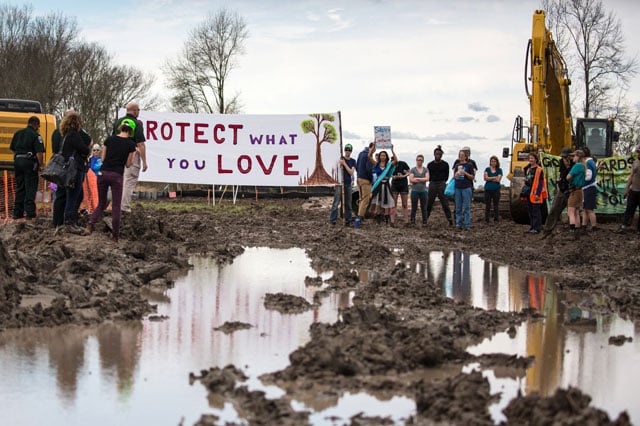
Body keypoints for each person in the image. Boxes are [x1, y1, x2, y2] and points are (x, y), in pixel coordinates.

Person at [87, 119, 137, 243]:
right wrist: (133, 154)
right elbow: (128, 164)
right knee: (116, 206)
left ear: (120, 128)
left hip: (103, 174)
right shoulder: (131, 145)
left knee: (101, 203)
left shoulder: (109, 139)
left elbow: (103, 158)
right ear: (131, 131)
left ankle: (90, 224)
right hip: (117, 176)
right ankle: (115, 235)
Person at [51, 109, 92, 228]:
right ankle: (69, 221)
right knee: (74, 195)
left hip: (64, 168)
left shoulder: (61, 134)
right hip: (74, 169)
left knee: (63, 195)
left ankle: (58, 221)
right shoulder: (75, 135)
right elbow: (85, 149)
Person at [10, 116, 45, 220]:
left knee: (20, 187)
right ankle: (30, 213)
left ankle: (17, 212)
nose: (38, 128)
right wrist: (40, 165)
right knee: (30, 187)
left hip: (17, 161)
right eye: (38, 126)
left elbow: (13, 148)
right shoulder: (35, 135)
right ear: (35, 124)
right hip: (29, 162)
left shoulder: (18, 133)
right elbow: (39, 152)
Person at [116, 102, 147, 213]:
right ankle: (124, 207)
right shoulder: (137, 124)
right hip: (132, 154)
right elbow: (141, 144)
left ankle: (116, 205)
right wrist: (144, 161)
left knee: (120, 180)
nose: (138, 112)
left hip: (118, 155)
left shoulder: (118, 122)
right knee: (129, 181)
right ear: (135, 111)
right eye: (138, 110)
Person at [543, 147, 574, 235]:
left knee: (573, 212)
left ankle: (574, 230)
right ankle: (548, 229)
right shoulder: (561, 162)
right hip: (563, 189)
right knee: (554, 209)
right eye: (563, 157)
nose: (564, 159)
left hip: (572, 190)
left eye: (566, 157)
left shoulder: (575, 164)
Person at [329, 144, 356, 226]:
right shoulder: (340, 159)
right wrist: (339, 164)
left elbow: (351, 172)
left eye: (349, 150)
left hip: (348, 184)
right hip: (339, 184)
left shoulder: (353, 161)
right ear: (344, 150)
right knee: (336, 202)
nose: (348, 151)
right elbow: (333, 169)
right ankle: (332, 220)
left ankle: (348, 220)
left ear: (351, 151)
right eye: (346, 149)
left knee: (348, 203)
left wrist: (344, 164)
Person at [369, 147, 398, 225]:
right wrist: (373, 147)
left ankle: (386, 219)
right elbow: (369, 156)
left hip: (386, 185)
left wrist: (392, 150)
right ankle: (378, 220)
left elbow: (396, 160)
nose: (382, 157)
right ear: (379, 157)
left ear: (386, 157)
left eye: (384, 155)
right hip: (378, 185)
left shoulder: (388, 165)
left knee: (386, 203)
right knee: (378, 203)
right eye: (381, 155)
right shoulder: (376, 164)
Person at [425, 145, 453, 226]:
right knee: (429, 202)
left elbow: (446, 176)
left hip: (441, 183)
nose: (438, 155)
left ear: (441, 155)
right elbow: (428, 175)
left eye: (439, 154)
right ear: (434, 154)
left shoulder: (445, 164)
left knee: (445, 203)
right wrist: (432, 181)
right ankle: (425, 219)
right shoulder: (430, 164)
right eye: (436, 154)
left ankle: (450, 219)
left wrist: (442, 182)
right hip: (432, 183)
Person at [523, 152, 547, 234]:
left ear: (536, 159)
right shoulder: (528, 169)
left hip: (536, 193)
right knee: (530, 211)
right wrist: (526, 181)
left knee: (536, 212)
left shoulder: (539, 170)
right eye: (529, 158)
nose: (531, 160)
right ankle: (532, 227)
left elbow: (540, 183)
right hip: (529, 193)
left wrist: (538, 194)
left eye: (532, 158)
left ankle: (537, 228)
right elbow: (529, 182)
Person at [453, 149, 476, 230]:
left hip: (466, 187)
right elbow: (454, 177)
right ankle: (458, 224)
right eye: (460, 155)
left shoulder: (469, 165)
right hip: (458, 187)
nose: (461, 156)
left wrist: (465, 173)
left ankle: (467, 225)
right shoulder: (456, 166)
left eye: (462, 155)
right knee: (458, 207)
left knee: (466, 207)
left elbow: (472, 177)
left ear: (466, 156)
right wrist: (456, 174)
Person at [566, 150, 587, 237]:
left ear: (578, 157)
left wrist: (570, 179)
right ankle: (577, 229)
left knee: (570, 211)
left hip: (575, 190)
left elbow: (568, 177)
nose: (572, 158)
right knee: (576, 211)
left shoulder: (577, 165)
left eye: (574, 156)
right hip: (580, 190)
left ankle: (572, 231)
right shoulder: (583, 166)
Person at [621, 145, 640, 232]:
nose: (638, 153)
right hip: (634, 190)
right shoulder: (635, 162)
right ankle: (624, 225)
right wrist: (627, 189)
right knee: (629, 208)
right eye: (638, 152)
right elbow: (631, 176)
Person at [356, 142, 375, 222]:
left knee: (361, 198)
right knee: (365, 199)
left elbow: (357, 166)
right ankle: (360, 216)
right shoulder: (368, 155)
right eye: (374, 149)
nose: (374, 151)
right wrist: (371, 180)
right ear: (371, 147)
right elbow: (369, 169)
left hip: (359, 178)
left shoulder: (360, 154)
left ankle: (360, 215)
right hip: (365, 179)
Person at [581, 146, 598, 232]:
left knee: (589, 209)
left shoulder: (587, 163)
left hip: (588, 187)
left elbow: (588, 177)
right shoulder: (592, 162)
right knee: (585, 208)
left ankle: (594, 226)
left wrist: (580, 178)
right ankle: (584, 225)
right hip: (588, 188)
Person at [409, 154, 429, 225]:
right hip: (414, 191)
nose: (419, 161)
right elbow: (411, 180)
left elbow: (427, 179)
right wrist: (422, 179)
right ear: (416, 160)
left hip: (423, 191)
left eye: (420, 160)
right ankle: (412, 221)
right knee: (414, 207)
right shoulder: (413, 169)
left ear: (423, 161)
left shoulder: (425, 169)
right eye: (418, 160)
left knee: (424, 207)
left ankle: (424, 222)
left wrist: (417, 178)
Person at [390, 157, 410, 225]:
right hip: (395, 185)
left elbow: (409, 172)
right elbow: (389, 174)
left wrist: (403, 176)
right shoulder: (390, 165)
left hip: (403, 185)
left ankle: (406, 221)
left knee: (405, 204)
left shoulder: (403, 164)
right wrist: (393, 176)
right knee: (393, 204)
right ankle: (392, 221)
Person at [483, 155, 503, 223]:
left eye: (494, 161)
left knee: (496, 205)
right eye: (492, 161)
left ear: (497, 162)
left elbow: (498, 180)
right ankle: (487, 219)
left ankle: (496, 219)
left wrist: (490, 178)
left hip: (496, 189)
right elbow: (485, 178)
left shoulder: (499, 170)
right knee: (487, 205)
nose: (493, 163)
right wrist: (494, 177)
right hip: (488, 189)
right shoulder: (487, 169)